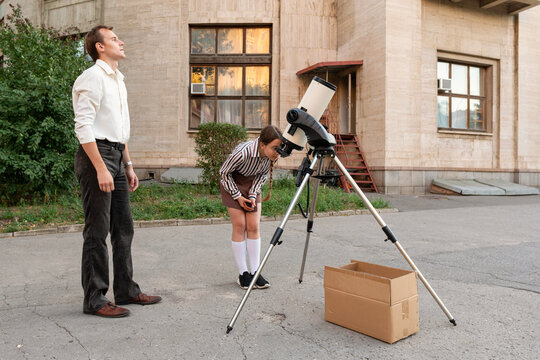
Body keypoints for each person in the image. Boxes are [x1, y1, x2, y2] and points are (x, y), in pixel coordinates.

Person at [72, 25, 161, 318]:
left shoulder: (118, 79)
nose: (120, 41)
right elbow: (84, 127)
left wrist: (128, 165)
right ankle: (95, 299)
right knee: (97, 232)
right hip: (95, 156)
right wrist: (101, 168)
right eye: (113, 39)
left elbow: (119, 131)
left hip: (116, 157)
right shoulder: (92, 78)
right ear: (99, 47)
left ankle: (126, 290)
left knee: (123, 228)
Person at [220, 125, 283, 289]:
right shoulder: (243, 153)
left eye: (280, 149)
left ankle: (255, 272)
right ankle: (243, 274)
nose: (277, 153)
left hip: (252, 184)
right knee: (240, 226)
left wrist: (253, 194)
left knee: (254, 226)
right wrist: (238, 197)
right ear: (262, 145)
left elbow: (262, 175)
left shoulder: (272, 156)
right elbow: (224, 173)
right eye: (275, 148)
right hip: (232, 183)